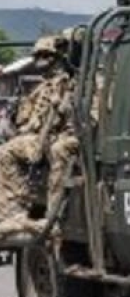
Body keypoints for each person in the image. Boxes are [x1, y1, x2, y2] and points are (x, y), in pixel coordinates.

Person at [0, 37, 77, 236]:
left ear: (56, 57)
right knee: (8, 150)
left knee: (54, 150)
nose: (40, 60)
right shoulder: (42, 87)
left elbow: (74, 117)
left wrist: (62, 107)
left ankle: (49, 216)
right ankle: (11, 211)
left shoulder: (68, 83)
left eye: (45, 56)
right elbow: (26, 119)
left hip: (58, 136)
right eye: (37, 56)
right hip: (37, 136)